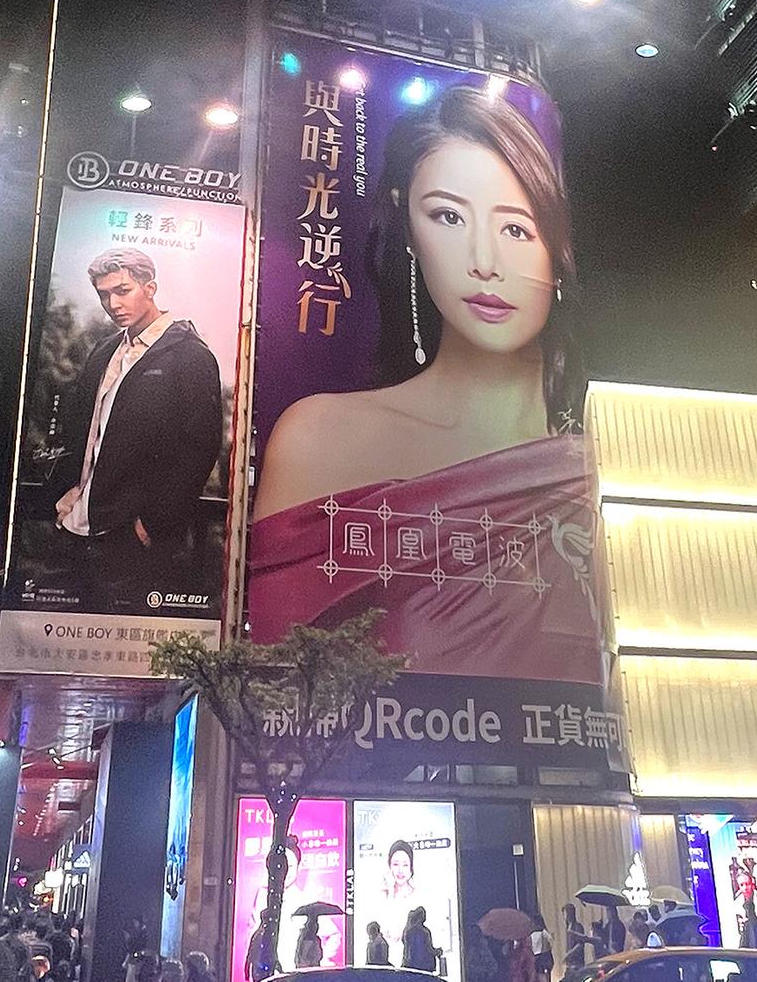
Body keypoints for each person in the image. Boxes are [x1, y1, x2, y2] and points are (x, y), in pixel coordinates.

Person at [248, 85, 599, 689]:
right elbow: (270, 676)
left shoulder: (605, 457)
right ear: (408, 228)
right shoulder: (323, 440)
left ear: (556, 247)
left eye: (517, 229)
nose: (484, 259)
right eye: (448, 217)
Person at [42, 247, 226, 590]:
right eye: (104, 295)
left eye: (122, 291)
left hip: (133, 538)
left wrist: (151, 526)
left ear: (150, 288)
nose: (113, 304)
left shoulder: (190, 355)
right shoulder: (106, 350)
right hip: (77, 527)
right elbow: (83, 430)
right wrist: (70, 489)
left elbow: (199, 450)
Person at [402, 908, 439, 975]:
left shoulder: (407, 931)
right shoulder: (424, 932)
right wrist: (437, 952)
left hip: (410, 966)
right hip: (424, 967)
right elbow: (429, 949)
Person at [527, 917, 550, 982]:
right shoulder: (543, 932)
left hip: (539, 955)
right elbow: (550, 939)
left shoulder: (531, 934)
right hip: (541, 955)